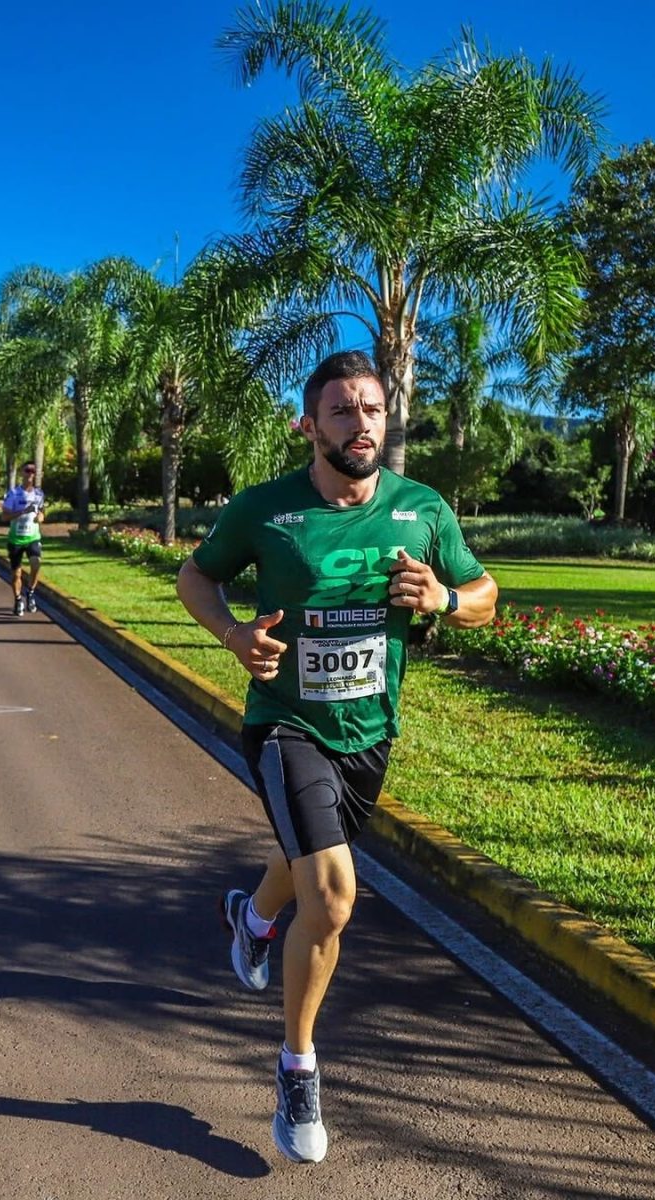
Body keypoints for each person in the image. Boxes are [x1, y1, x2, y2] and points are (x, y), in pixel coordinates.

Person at [176, 350, 497, 1165]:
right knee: (334, 890)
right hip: (285, 724)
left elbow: (486, 598)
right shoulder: (265, 509)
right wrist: (233, 636)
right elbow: (195, 576)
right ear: (310, 424)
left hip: (371, 732)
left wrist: (446, 599)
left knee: (306, 862)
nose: (362, 424)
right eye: (344, 411)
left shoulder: (423, 509)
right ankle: (297, 1066)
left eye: (373, 409)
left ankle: (249, 921)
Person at [1, 461, 47, 616]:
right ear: (22, 473)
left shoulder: (39, 494)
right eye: (28, 470)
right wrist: (22, 512)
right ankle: (18, 599)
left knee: (36, 563)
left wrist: (40, 517)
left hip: (33, 538)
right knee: (16, 575)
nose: (30, 474)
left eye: (33, 471)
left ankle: (31, 593)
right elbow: (4, 516)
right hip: (15, 540)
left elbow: (41, 513)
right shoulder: (13, 494)